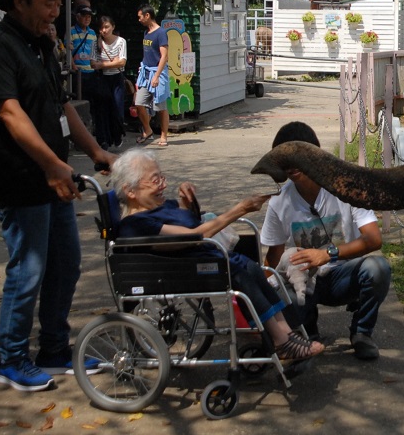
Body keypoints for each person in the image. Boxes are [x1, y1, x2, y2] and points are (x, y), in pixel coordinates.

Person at [0, 0, 116, 392]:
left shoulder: (42, 46)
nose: (57, 11)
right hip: (20, 179)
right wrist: (51, 165)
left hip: (55, 179)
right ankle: (12, 359)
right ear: (20, 1)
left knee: (66, 264)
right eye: (49, 2)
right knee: (28, 270)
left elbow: (62, 107)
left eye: (59, 3)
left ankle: (54, 349)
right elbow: (9, 112)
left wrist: (94, 151)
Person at [110, 149, 323, 364]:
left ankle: (285, 334)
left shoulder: (159, 206)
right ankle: (280, 339)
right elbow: (193, 236)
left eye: (162, 177)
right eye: (155, 180)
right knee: (240, 274)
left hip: (208, 259)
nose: (163, 185)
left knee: (251, 268)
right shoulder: (136, 224)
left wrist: (186, 199)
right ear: (130, 191)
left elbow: (188, 219)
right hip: (189, 268)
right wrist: (240, 209)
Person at [261, 122, 391, 361]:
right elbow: (274, 256)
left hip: (340, 277)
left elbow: (373, 239)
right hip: (302, 281)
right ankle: (307, 332)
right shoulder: (279, 202)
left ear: (316, 154)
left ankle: (362, 332)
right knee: (285, 291)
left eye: (299, 158)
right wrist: (262, 299)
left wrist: (326, 254)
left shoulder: (346, 187)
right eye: (285, 161)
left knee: (378, 268)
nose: (292, 168)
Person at [134, 4, 169, 146]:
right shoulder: (146, 33)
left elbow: (164, 56)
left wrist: (156, 76)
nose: (139, 20)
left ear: (147, 15)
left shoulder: (160, 33)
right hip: (146, 72)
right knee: (138, 103)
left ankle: (164, 135)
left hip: (157, 73)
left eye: (140, 17)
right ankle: (147, 130)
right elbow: (147, 53)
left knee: (160, 107)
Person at [91, 15, 126, 149]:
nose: (104, 30)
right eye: (101, 28)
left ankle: (117, 135)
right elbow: (93, 63)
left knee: (117, 109)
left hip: (117, 78)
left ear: (113, 27)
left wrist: (102, 64)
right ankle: (103, 140)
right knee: (102, 110)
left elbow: (122, 62)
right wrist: (111, 63)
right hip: (102, 79)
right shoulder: (96, 43)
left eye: (107, 27)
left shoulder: (121, 41)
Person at [69, 0, 98, 102]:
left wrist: (95, 66)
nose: (87, 19)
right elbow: (67, 51)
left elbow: (94, 52)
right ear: (78, 17)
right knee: (78, 98)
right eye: (84, 16)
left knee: (91, 99)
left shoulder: (92, 33)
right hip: (77, 72)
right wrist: (73, 66)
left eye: (89, 17)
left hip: (90, 72)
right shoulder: (70, 31)